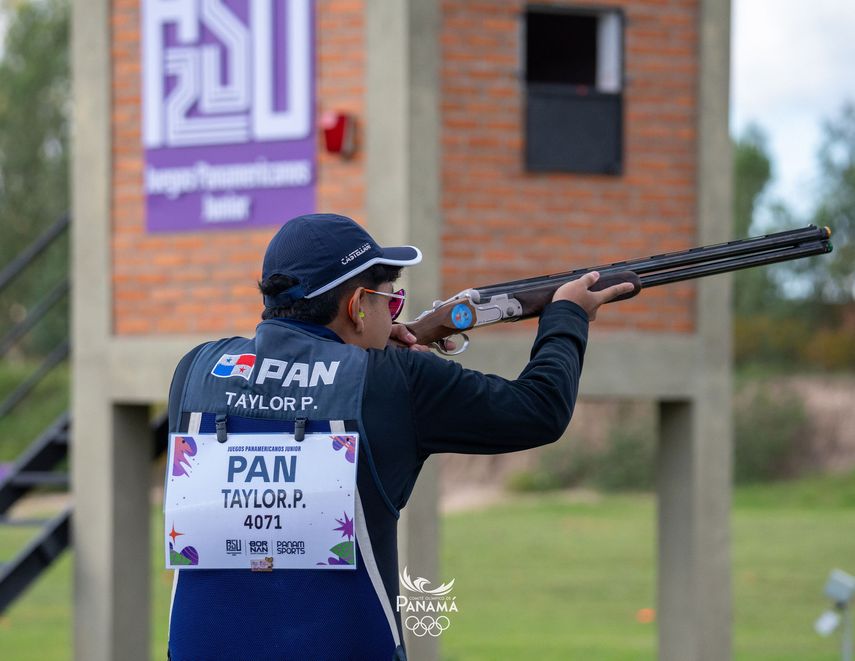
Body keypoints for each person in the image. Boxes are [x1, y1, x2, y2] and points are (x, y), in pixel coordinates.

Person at [164, 213, 632, 661]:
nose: (394, 316)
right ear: (356, 306)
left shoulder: (196, 369)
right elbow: (540, 409)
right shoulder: (395, 381)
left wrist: (368, 351)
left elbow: (287, 380)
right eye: (389, 303)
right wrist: (567, 316)